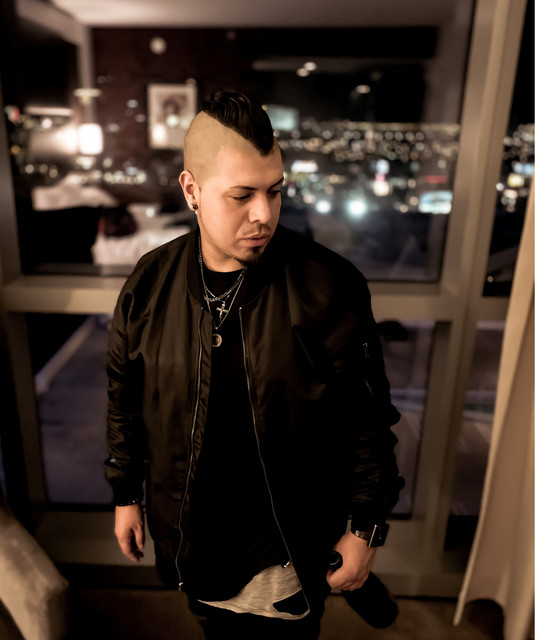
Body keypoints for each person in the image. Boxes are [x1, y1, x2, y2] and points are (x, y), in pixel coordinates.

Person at [105, 91, 403, 639]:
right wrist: (126, 494)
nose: (263, 213)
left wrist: (365, 528)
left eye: (275, 191)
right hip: (194, 545)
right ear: (191, 190)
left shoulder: (327, 286)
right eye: (242, 195)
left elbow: (366, 421)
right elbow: (124, 398)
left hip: (284, 551)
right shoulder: (148, 285)